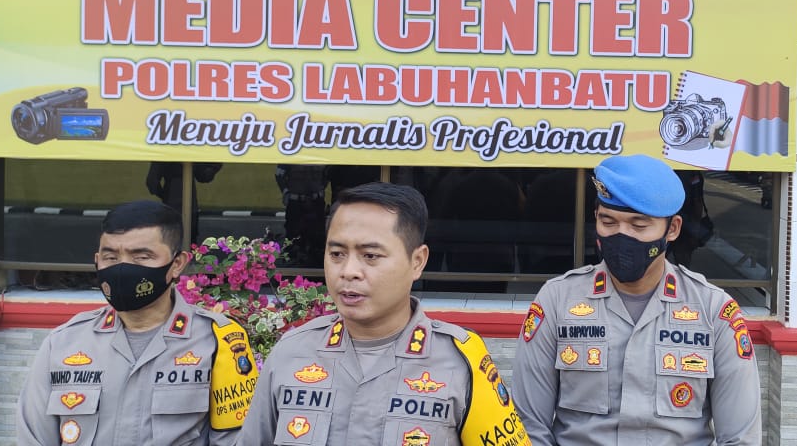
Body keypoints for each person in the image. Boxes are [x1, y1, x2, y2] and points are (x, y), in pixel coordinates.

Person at [237, 182, 531, 445]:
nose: (349, 272)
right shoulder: (293, 351)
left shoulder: (460, 361)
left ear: (417, 262)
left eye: (371, 256)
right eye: (337, 254)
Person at [512, 154, 761, 445]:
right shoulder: (557, 301)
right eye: (608, 221)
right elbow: (528, 429)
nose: (622, 235)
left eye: (638, 226)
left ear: (673, 229)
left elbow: (740, 438)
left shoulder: (714, 311)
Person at [16, 200, 258, 446]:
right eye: (111, 257)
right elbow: (33, 438)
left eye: (142, 257)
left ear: (177, 264)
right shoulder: (63, 343)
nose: (123, 268)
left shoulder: (218, 342)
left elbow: (239, 440)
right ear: (97, 260)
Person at [144, 161, 222, 241]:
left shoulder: (165, 153)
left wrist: (164, 195)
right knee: (188, 242)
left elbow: (152, 182)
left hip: (172, 204)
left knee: (170, 241)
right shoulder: (192, 153)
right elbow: (204, 177)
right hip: (188, 206)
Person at [275, 164, 330, 266]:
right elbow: (279, 175)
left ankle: (316, 267)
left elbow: (327, 175)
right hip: (296, 202)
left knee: (317, 236)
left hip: (316, 201)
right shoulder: (290, 154)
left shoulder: (323, 154)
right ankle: (292, 267)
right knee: (293, 235)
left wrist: (319, 189)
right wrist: (286, 192)